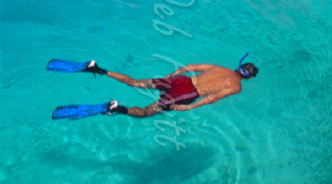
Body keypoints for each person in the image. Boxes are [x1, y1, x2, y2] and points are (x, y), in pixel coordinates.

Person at [47, 53, 258, 120]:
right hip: (186, 93)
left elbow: (190, 67)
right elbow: (212, 98)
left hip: (180, 81)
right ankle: (115, 108)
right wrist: (189, 107)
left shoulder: (218, 67)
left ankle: (98, 70)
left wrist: (173, 75)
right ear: (247, 78)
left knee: (134, 81)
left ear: (239, 66)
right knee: (146, 112)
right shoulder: (236, 86)